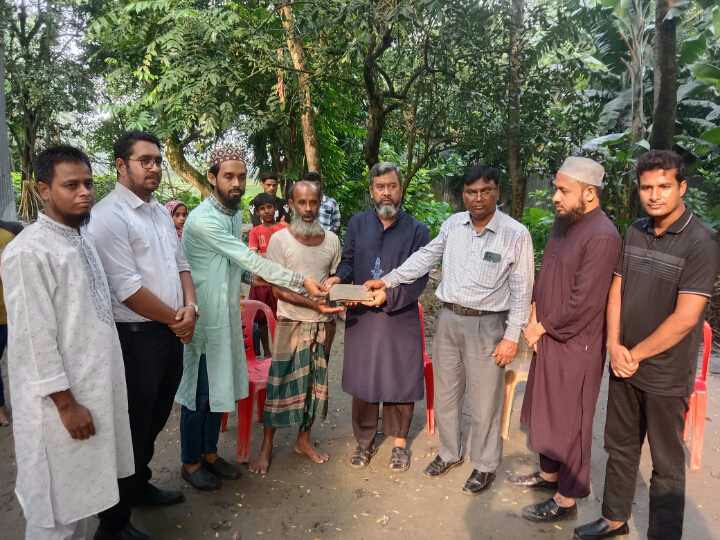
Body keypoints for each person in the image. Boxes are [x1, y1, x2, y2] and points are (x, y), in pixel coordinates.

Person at [574, 150, 720, 540]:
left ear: (681, 187)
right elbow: (617, 289)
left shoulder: (702, 242)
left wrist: (634, 355)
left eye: (663, 187)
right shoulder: (635, 230)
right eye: (646, 187)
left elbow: (686, 317)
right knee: (620, 446)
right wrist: (614, 345)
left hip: (665, 373)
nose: (654, 195)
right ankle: (614, 519)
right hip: (624, 362)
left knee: (666, 463)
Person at [365, 165, 534, 494]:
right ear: (463, 195)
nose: (478, 198)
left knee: (485, 401)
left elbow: (522, 290)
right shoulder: (453, 225)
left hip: (489, 325)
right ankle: (450, 451)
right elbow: (425, 258)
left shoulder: (515, 234)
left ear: (497, 192)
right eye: (471, 192)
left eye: (485, 191)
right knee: (446, 394)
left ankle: (484, 465)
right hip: (449, 320)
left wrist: (513, 337)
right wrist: (387, 279)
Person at [2, 146, 140, 540]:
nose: (85, 192)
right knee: (55, 513)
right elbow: (33, 339)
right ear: (44, 190)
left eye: (88, 183)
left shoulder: (81, 240)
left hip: (90, 394)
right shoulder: (28, 252)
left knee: (81, 501)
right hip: (59, 407)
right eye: (71, 185)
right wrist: (66, 404)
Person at [175, 146, 325, 490]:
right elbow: (246, 257)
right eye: (228, 176)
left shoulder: (230, 212)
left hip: (227, 315)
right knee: (198, 393)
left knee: (219, 385)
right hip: (202, 317)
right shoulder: (204, 219)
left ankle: (210, 454)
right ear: (212, 178)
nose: (237, 183)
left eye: (241, 176)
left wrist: (251, 281)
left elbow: (231, 266)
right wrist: (300, 280)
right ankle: (190, 461)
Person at [88, 131, 198, 532]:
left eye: (157, 161)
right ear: (121, 165)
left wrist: (190, 308)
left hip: (169, 330)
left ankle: (139, 485)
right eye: (144, 160)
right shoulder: (107, 216)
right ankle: (113, 522)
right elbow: (128, 289)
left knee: (154, 417)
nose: (154, 167)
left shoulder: (156, 212)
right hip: (134, 337)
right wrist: (176, 317)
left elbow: (181, 263)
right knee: (130, 425)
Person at [509, 157, 620, 523]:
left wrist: (543, 327)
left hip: (576, 345)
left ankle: (567, 499)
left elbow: (585, 303)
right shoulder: (564, 222)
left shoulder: (603, 235)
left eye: (563, 190)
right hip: (548, 334)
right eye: (556, 188)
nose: (555, 196)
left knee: (571, 420)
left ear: (589, 194)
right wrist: (534, 311)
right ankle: (548, 477)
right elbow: (548, 272)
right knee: (546, 411)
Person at [324, 162, 429, 471]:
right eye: (380, 186)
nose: (386, 192)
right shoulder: (358, 223)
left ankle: (398, 444)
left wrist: (390, 295)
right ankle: (364, 442)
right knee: (365, 380)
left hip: (399, 315)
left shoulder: (417, 230)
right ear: (372, 190)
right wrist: (337, 279)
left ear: (401, 189)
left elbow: (419, 277)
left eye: (392, 186)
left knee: (399, 379)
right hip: (363, 318)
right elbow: (349, 260)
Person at [248, 180, 344, 475]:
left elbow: (333, 275)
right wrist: (312, 303)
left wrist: (336, 282)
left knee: (315, 387)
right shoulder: (280, 241)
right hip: (291, 323)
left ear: (320, 203)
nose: (307, 209)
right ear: (290, 203)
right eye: (301, 203)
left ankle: (304, 440)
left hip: (324, 326)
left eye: (313, 202)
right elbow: (276, 289)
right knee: (279, 385)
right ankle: (266, 447)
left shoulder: (332, 240)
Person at [248, 192, 288, 356]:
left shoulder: (284, 228)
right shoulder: (255, 232)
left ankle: (282, 351)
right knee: (262, 318)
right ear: (257, 212)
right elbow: (253, 257)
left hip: (281, 280)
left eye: (269, 207)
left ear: (275, 208)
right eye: (262, 208)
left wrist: (266, 257)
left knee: (282, 317)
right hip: (262, 282)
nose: (266, 211)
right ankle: (267, 351)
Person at [0, 218, 23, 427]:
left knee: (25, 360)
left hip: (15, 312)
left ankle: (27, 405)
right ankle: (1, 408)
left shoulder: (12, 229)